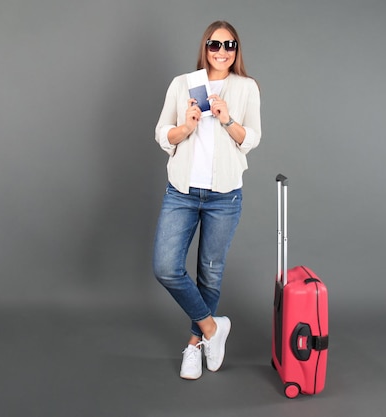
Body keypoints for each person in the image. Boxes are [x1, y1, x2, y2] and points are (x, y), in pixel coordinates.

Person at [152, 21, 261, 380]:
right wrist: (185, 127)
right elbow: (162, 133)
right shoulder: (184, 84)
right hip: (182, 192)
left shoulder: (246, 88)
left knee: (209, 275)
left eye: (230, 45)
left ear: (236, 50)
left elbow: (251, 139)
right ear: (206, 47)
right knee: (167, 267)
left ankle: (195, 345)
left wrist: (227, 119)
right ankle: (214, 328)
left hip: (224, 196)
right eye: (215, 44)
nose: (222, 51)